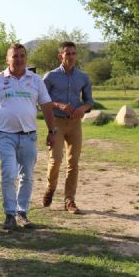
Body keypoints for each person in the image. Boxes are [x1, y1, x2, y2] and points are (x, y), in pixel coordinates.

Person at [0, 43, 56, 231]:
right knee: (8, 173)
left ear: (26, 58)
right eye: (15, 56)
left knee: (27, 175)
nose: (19, 59)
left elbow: (47, 105)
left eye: (22, 55)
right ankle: (9, 214)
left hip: (29, 136)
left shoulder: (35, 80)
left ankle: (21, 212)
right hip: (5, 135)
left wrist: (52, 131)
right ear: (7, 59)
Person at [42, 41, 93, 214]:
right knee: (55, 160)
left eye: (73, 53)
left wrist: (83, 108)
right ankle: (50, 188)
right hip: (56, 121)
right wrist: (59, 105)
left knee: (73, 162)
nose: (70, 56)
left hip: (75, 123)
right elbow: (42, 101)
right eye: (67, 53)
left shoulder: (83, 77)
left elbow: (89, 101)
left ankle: (69, 201)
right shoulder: (50, 77)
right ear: (60, 56)